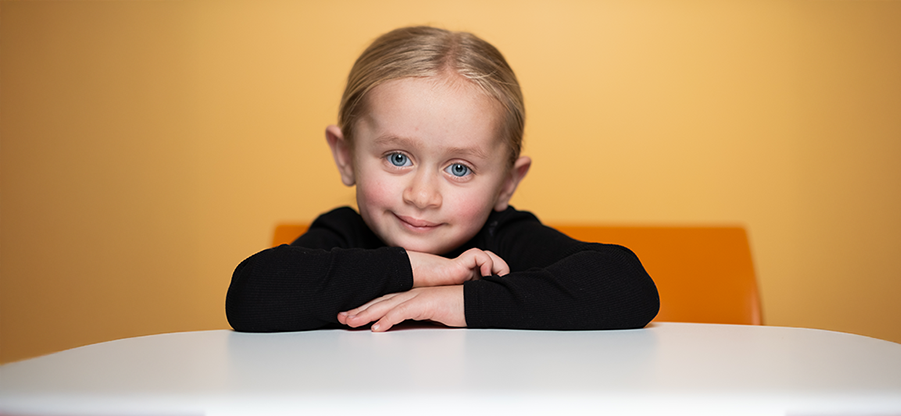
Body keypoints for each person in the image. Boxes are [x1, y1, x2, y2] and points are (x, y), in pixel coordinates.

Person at [225, 26, 659, 333]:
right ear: (346, 156)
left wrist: (461, 300)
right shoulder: (344, 233)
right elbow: (251, 294)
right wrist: (418, 270)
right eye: (398, 157)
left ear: (507, 183)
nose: (422, 195)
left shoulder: (503, 238)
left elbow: (627, 285)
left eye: (459, 168)